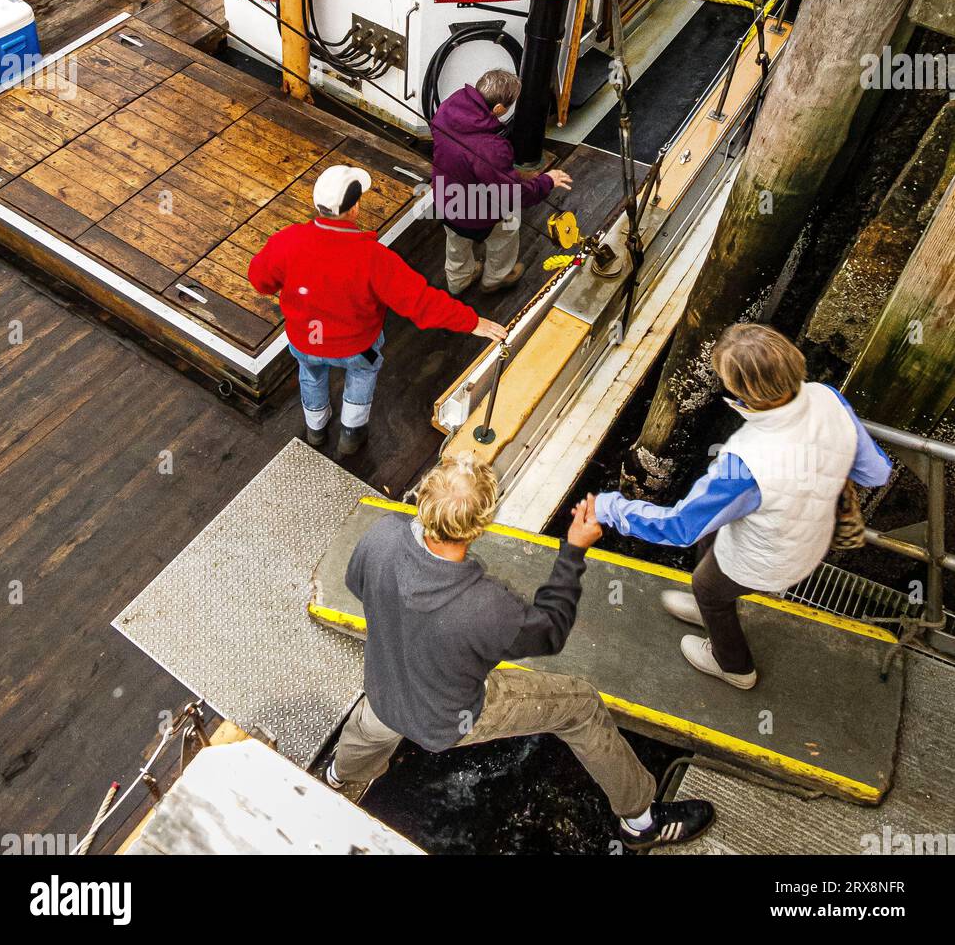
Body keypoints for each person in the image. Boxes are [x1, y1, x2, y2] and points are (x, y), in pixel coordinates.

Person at [324, 453, 716, 850]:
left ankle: (339, 776)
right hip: (448, 719)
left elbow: (359, 587)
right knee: (581, 706)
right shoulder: (487, 605)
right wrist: (573, 551)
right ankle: (640, 820)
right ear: (479, 526)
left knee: (370, 727)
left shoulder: (381, 535)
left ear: (423, 497)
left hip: (383, 687)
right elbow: (550, 634)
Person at [594, 324, 892, 689]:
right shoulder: (828, 397)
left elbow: (679, 528)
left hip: (771, 559)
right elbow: (876, 472)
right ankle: (712, 610)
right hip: (811, 534)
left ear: (740, 390)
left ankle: (733, 666)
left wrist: (609, 507)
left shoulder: (744, 459)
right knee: (714, 537)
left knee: (708, 588)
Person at [247, 165, 506, 458]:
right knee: (361, 377)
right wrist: (472, 322)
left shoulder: (287, 242)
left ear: (317, 204)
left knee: (311, 375)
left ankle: (315, 429)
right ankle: (351, 435)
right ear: (355, 208)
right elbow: (419, 301)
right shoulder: (373, 257)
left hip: (305, 341)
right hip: (357, 347)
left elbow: (260, 281)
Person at [430, 69, 573, 296]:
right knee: (506, 231)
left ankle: (458, 281)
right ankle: (495, 278)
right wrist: (547, 180)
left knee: (456, 244)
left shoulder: (451, 105)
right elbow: (513, 195)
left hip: (446, 199)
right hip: (477, 213)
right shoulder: (491, 148)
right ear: (498, 109)